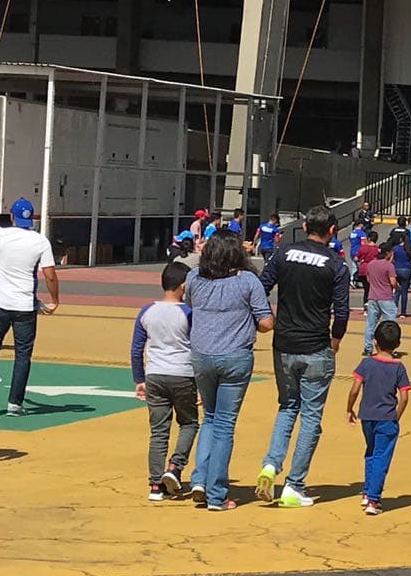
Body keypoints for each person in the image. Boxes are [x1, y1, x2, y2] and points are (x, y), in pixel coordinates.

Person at [255, 205, 349, 508]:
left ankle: (271, 463)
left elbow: (261, 287)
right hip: (315, 346)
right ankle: (294, 484)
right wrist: (335, 340)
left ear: (305, 225)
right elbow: (343, 311)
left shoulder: (283, 253)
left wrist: (265, 318)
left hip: (283, 344)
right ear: (332, 230)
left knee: (287, 407)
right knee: (311, 416)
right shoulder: (336, 265)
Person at [185, 231, 274, 510]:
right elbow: (266, 322)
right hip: (235, 356)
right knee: (224, 423)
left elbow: (190, 305)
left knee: (208, 418)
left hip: (201, 354)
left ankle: (199, 478)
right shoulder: (248, 281)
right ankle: (216, 493)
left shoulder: (194, 278)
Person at [0, 198, 59, 415]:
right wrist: (55, 300)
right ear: (32, 218)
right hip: (25, 305)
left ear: (12, 217)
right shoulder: (40, 241)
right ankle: (15, 403)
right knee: (23, 353)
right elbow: (50, 275)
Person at [130, 262, 198, 502]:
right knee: (189, 423)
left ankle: (155, 484)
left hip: (155, 375)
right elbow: (198, 348)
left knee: (158, 431)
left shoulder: (147, 310)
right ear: (183, 287)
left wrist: (139, 378)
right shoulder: (188, 313)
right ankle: (175, 467)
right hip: (183, 373)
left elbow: (136, 348)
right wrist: (199, 383)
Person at [346, 320, 411, 516]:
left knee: (371, 453)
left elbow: (355, 388)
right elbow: (404, 396)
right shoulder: (398, 368)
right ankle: (373, 499)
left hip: (367, 416)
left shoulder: (366, 363)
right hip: (386, 418)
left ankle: (366, 492)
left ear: (375, 342)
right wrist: (396, 416)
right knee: (382, 457)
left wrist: (349, 408)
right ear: (398, 344)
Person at [363, 243, 399, 356]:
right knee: (390, 325)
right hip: (386, 297)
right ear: (388, 253)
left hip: (373, 296)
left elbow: (368, 280)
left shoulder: (371, 264)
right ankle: (389, 347)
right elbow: (393, 282)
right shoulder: (389, 265)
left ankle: (368, 348)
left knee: (370, 324)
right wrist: (398, 287)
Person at [392, 230, 411, 318]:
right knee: (404, 292)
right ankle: (403, 312)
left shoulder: (395, 248)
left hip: (397, 269)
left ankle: (394, 311)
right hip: (406, 269)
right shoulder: (410, 249)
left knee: (397, 291)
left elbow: (391, 260)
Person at [355, 230, 380, 305]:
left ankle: (366, 304)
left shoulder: (363, 248)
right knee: (372, 288)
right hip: (373, 270)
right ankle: (371, 304)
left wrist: (360, 260)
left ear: (369, 239)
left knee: (366, 289)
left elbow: (356, 258)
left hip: (363, 269)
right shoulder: (377, 249)